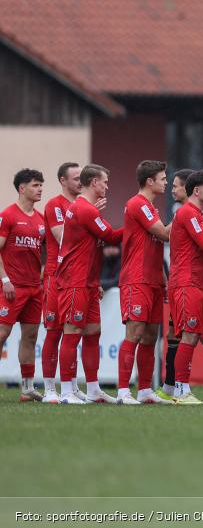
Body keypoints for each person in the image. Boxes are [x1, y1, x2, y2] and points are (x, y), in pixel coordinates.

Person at [56, 164, 124, 404]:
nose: (107, 186)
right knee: (72, 332)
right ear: (94, 182)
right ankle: (65, 390)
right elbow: (113, 237)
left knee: (93, 333)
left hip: (88, 282)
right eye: (105, 182)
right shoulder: (85, 209)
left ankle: (93, 389)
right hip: (75, 281)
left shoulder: (86, 209)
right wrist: (137, 222)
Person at [158, 169, 203, 403]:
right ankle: (180, 390)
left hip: (193, 282)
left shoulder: (194, 214)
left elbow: (192, 252)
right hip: (186, 284)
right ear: (196, 190)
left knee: (192, 336)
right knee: (188, 336)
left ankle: (178, 389)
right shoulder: (188, 213)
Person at [115, 160, 172, 405]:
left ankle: (145, 390)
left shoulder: (151, 207)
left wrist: (164, 279)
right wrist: (187, 212)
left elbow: (155, 246)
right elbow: (164, 234)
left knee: (150, 336)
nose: (167, 182)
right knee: (135, 333)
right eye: (163, 178)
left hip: (152, 281)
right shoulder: (138, 204)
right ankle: (122, 391)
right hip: (136, 279)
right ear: (149, 181)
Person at [41, 162, 91, 402]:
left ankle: (70, 385)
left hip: (78, 276)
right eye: (75, 178)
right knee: (54, 331)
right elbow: (62, 237)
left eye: (82, 177)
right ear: (62, 181)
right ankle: (50, 388)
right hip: (55, 275)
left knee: (74, 332)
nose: (80, 182)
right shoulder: (55, 205)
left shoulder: (83, 205)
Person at [0, 169, 46, 402]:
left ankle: (27, 388)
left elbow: (46, 252)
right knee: (2, 334)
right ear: (22, 188)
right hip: (11, 287)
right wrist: (5, 280)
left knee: (30, 336)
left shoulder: (41, 220)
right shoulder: (7, 215)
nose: (40, 189)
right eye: (36, 185)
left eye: (41, 185)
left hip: (34, 288)